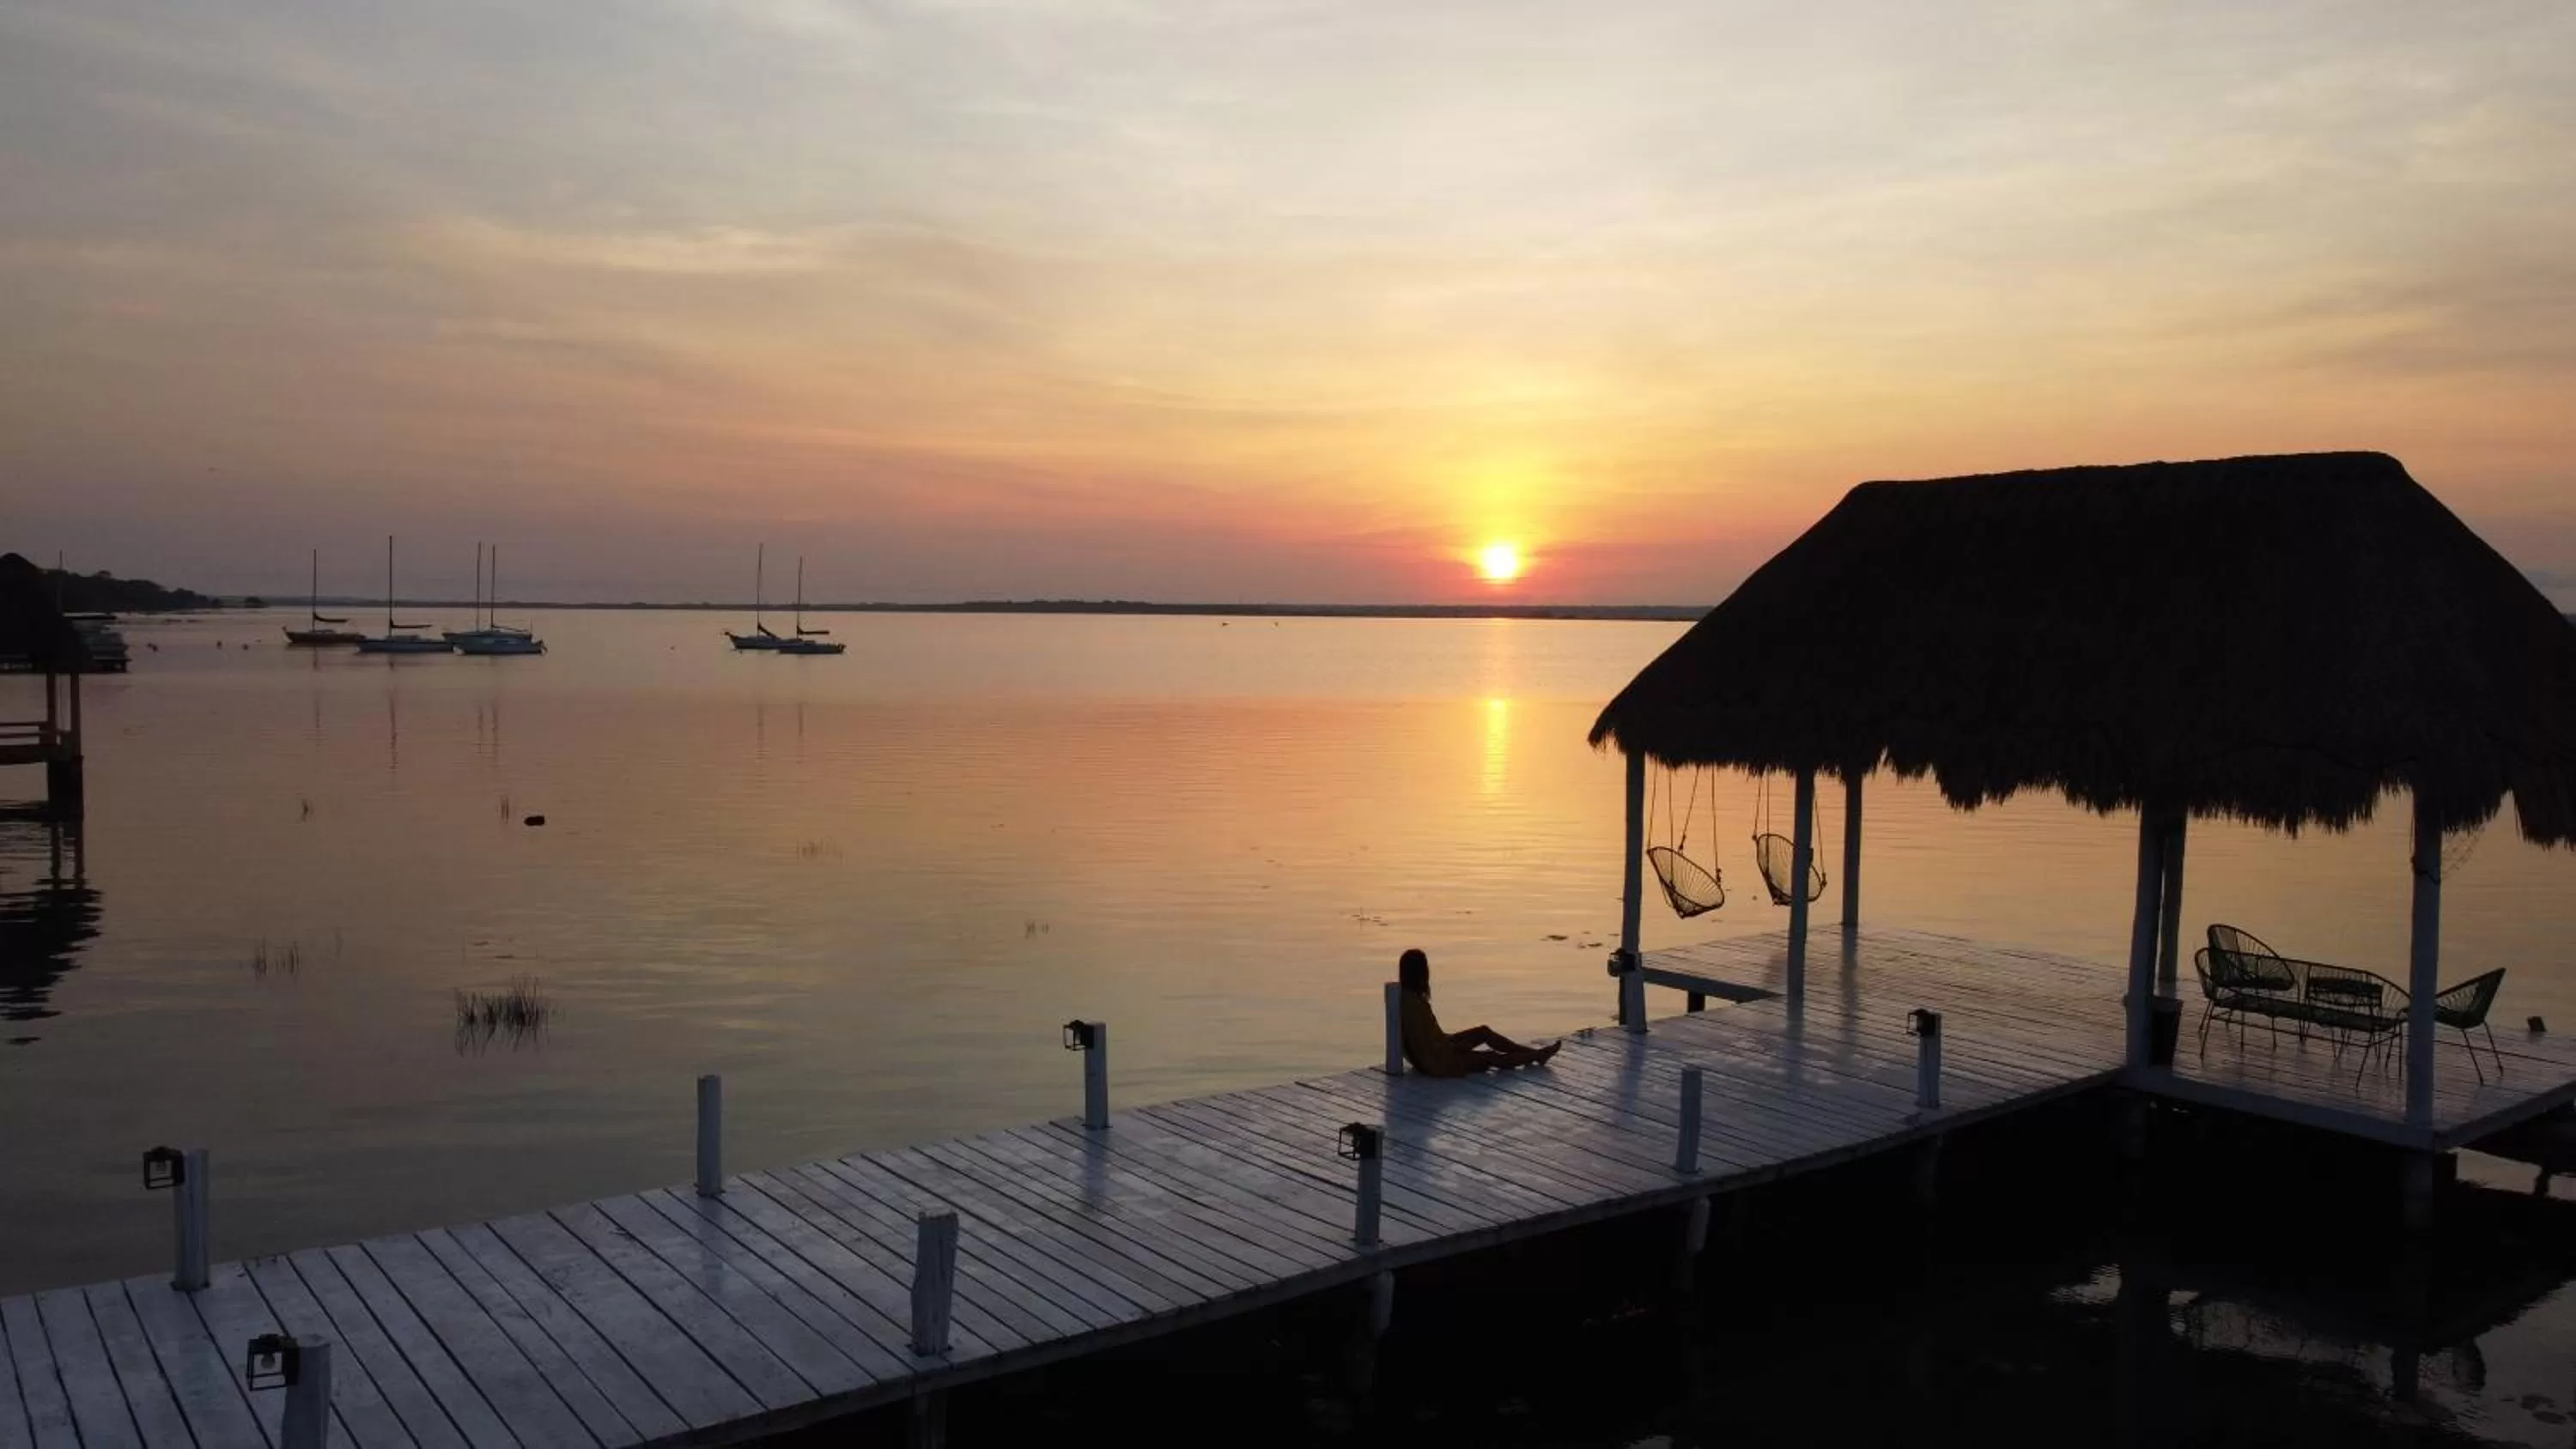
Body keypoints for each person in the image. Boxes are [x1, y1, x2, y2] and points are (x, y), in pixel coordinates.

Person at [1396, 948, 1560, 1077]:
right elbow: (1429, 1050)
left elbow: (1429, 1040)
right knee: (1490, 1057)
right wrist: (1459, 1047)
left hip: (1439, 1051)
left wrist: (1453, 1042)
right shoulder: (1415, 1007)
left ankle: (1536, 1053)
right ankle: (1535, 1056)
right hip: (1440, 1064)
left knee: (1483, 1032)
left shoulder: (1407, 997)